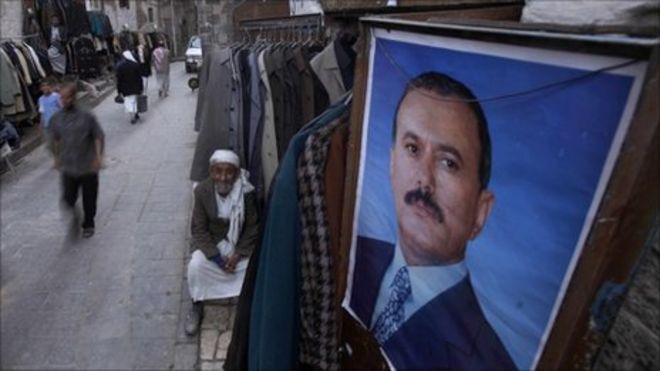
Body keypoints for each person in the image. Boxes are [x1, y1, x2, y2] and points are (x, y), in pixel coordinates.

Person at [348, 72, 516, 370]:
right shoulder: (352, 251)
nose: (423, 180)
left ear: (481, 211)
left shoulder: (486, 360)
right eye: (412, 149)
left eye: (448, 163)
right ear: (391, 162)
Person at [184, 149, 260, 336]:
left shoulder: (246, 192)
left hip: (237, 249)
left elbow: (252, 227)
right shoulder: (202, 191)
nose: (223, 177)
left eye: (229, 172)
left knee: (253, 267)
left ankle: (247, 306)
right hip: (213, 247)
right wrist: (217, 259)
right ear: (212, 172)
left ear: (236, 174)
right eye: (218, 171)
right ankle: (197, 303)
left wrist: (237, 255)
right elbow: (199, 230)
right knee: (196, 266)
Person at [50, 82, 105, 239]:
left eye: (66, 98)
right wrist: (56, 157)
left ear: (73, 98)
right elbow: (55, 139)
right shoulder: (57, 118)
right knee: (67, 198)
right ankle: (75, 216)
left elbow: (98, 136)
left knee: (89, 198)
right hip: (68, 165)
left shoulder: (87, 116)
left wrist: (98, 157)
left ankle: (88, 224)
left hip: (88, 164)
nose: (64, 101)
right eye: (61, 98)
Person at [115, 49, 144, 124]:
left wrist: (119, 90)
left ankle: (132, 116)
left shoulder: (120, 67)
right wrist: (141, 87)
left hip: (125, 89)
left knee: (128, 102)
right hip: (135, 87)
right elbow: (139, 78)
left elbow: (119, 80)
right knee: (135, 101)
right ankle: (135, 114)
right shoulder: (135, 65)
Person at [37, 76, 61, 156]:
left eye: (46, 85)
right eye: (43, 86)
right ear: (41, 89)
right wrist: (41, 125)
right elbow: (42, 113)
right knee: (51, 144)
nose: (44, 88)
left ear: (50, 87)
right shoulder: (41, 99)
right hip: (48, 125)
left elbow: (62, 108)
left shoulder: (56, 96)